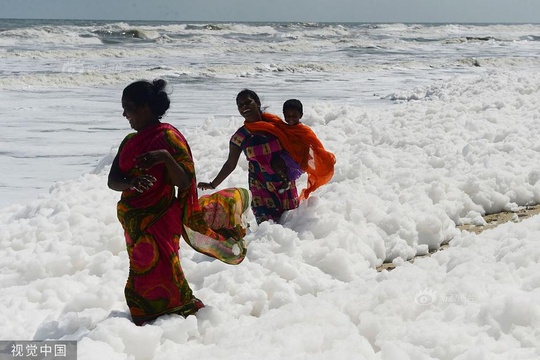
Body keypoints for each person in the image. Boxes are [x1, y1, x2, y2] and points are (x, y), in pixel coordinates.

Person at [108, 79, 249, 326]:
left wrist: (164, 158)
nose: (124, 114)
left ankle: (179, 314)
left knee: (164, 267)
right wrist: (131, 183)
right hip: (134, 222)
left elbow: (184, 182)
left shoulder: (169, 137)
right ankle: (147, 315)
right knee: (141, 267)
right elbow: (113, 180)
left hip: (161, 218)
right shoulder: (129, 141)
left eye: (128, 107)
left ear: (144, 107)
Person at [198, 90, 336, 224]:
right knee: (268, 231)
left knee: (291, 229)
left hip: (285, 186)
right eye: (240, 105)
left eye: (247, 102)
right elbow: (230, 164)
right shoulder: (240, 137)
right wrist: (213, 184)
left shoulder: (277, 126)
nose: (244, 107)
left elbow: (299, 141)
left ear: (257, 103)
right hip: (260, 189)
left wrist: (318, 162)